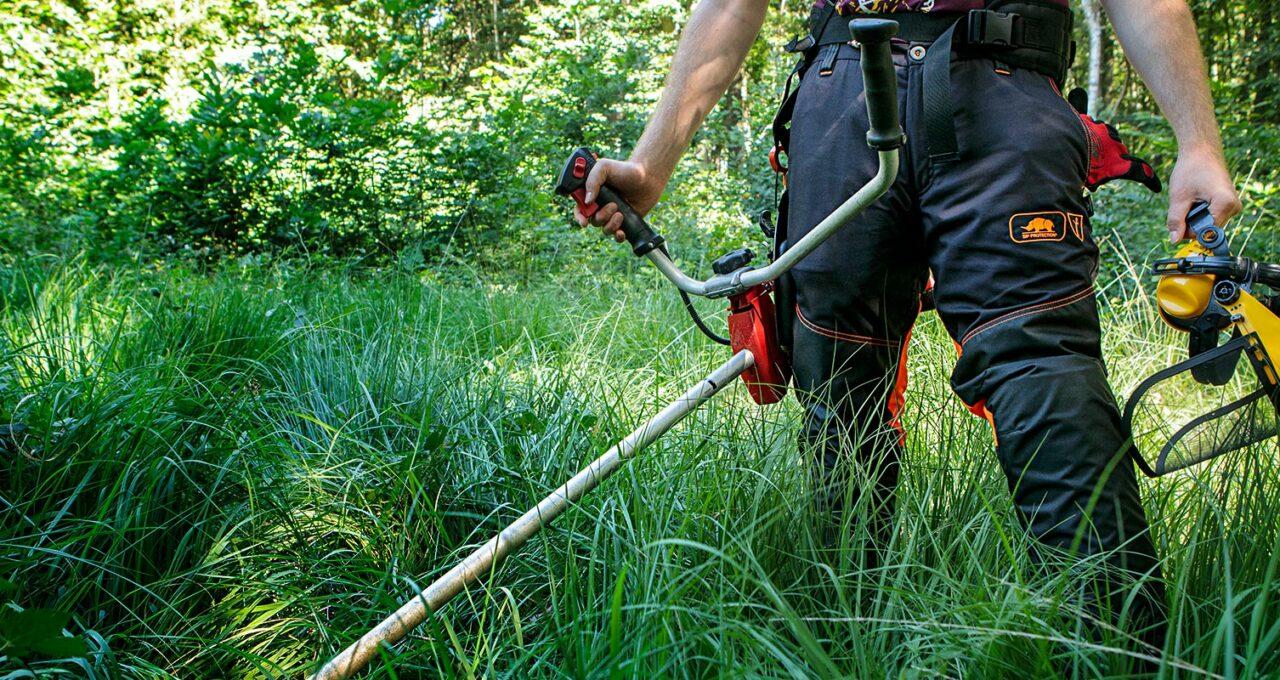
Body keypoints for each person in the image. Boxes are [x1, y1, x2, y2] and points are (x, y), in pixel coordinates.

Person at [573, 0, 1241, 649]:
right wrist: (651, 163)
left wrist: (1200, 145)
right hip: (840, 92)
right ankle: (843, 640)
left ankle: (1117, 651)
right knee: (837, 387)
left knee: (1044, 378)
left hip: (1001, 91)